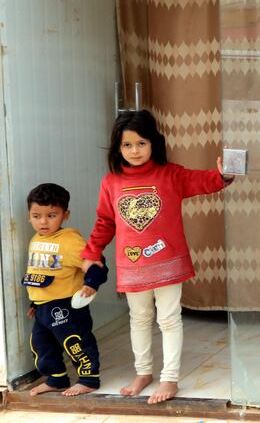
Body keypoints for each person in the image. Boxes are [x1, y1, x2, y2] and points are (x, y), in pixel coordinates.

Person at [81, 109, 234, 404]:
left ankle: (169, 378)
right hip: (132, 266)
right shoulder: (111, 182)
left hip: (168, 263)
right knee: (138, 319)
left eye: (141, 143)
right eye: (127, 145)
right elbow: (105, 221)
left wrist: (222, 175)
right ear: (118, 148)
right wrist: (92, 251)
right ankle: (143, 372)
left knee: (169, 319)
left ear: (154, 143)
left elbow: (203, 181)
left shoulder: (171, 174)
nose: (134, 151)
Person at [24, 183, 108, 396]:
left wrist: (91, 283)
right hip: (43, 308)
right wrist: (35, 302)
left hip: (66, 306)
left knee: (75, 342)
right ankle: (57, 379)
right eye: (36, 215)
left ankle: (89, 379)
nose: (43, 221)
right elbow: (42, 273)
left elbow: (97, 263)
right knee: (42, 345)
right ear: (29, 216)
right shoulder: (36, 239)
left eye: (51, 215)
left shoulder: (70, 241)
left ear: (65, 215)